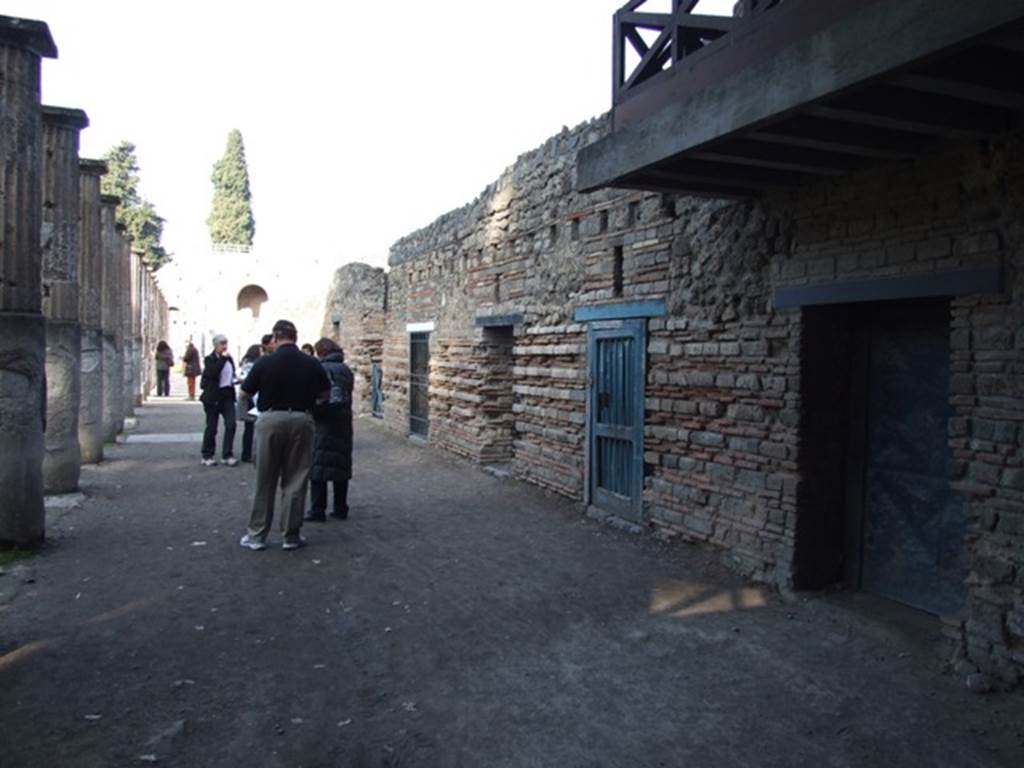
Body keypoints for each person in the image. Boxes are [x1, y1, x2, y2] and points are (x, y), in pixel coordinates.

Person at [239, 319, 330, 551]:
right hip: (301, 419)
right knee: (296, 479)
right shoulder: (311, 363)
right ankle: (291, 535)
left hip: (270, 419)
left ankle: (257, 535)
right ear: (296, 337)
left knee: (264, 479)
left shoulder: (265, 362)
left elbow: (244, 391)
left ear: (276, 338)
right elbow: (325, 393)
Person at [306, 337, 354, 522]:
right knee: (340, 465)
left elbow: (322, 396)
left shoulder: (322, 369)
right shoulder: (346, 370)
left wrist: (314, 410)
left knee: (318, 466)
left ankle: (318, 510)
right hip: (343, 422)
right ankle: (341, 507)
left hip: (324, 422)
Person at [199, 333, 238, 467]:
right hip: (213, 397)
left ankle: (227, 454)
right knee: (212, 427)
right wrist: (222, 359)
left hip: (227, 395)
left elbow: (231, 374)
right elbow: (213, 373)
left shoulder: (229, 359)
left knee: (231, 424)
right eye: (222, 344)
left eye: (225, 343)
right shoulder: (209, 359)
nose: (224, 346)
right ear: (215, 346)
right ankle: (207, 454)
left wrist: (236, 380)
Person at [237, 343, 262, 463]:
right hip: (250, 399)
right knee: (250, 427)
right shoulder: (251, 365)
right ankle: (248, 453)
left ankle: (248, 452)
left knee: (250, 427)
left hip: (249, 397)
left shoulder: (247, 364)